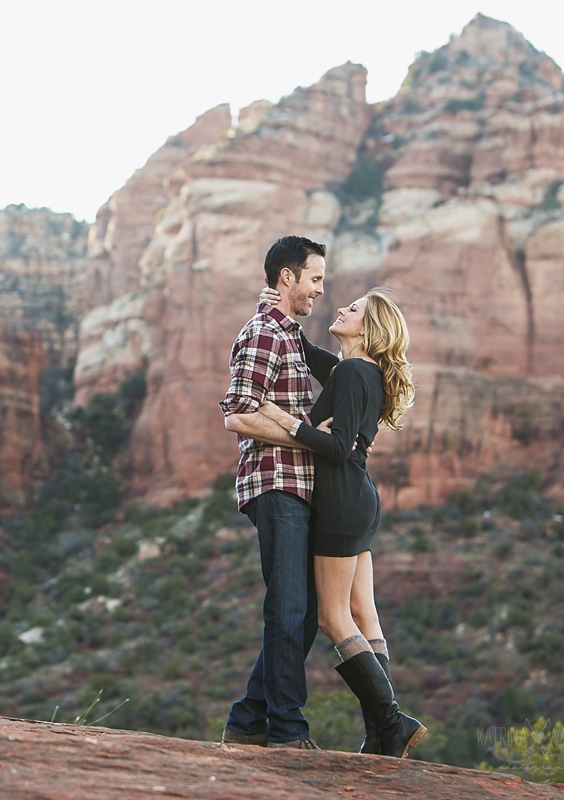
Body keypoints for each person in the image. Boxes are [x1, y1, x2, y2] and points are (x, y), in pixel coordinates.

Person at [255, 283, 426, 758]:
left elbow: (337, 446)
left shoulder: (353, 370)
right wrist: (282, 316)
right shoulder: (357, 370)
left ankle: (391, 722)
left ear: (368, 330)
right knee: (364, 614)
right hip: (359, 499)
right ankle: (381, 735)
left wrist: (285, 421)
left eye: (353, 309)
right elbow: (312, 359)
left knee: (333, 617)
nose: (341, 309)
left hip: (341, 500)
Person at [218, 235, 333, 750]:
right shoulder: (265, 332)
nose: (319, 290)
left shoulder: (287, 335)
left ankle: (248, 719)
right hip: (276, 483)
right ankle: (285, 731)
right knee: (288, 609)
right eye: (314, 278)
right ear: (287, 277)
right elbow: (238, 414)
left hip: (299, 487)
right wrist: (302, 434)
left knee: (304, 612)